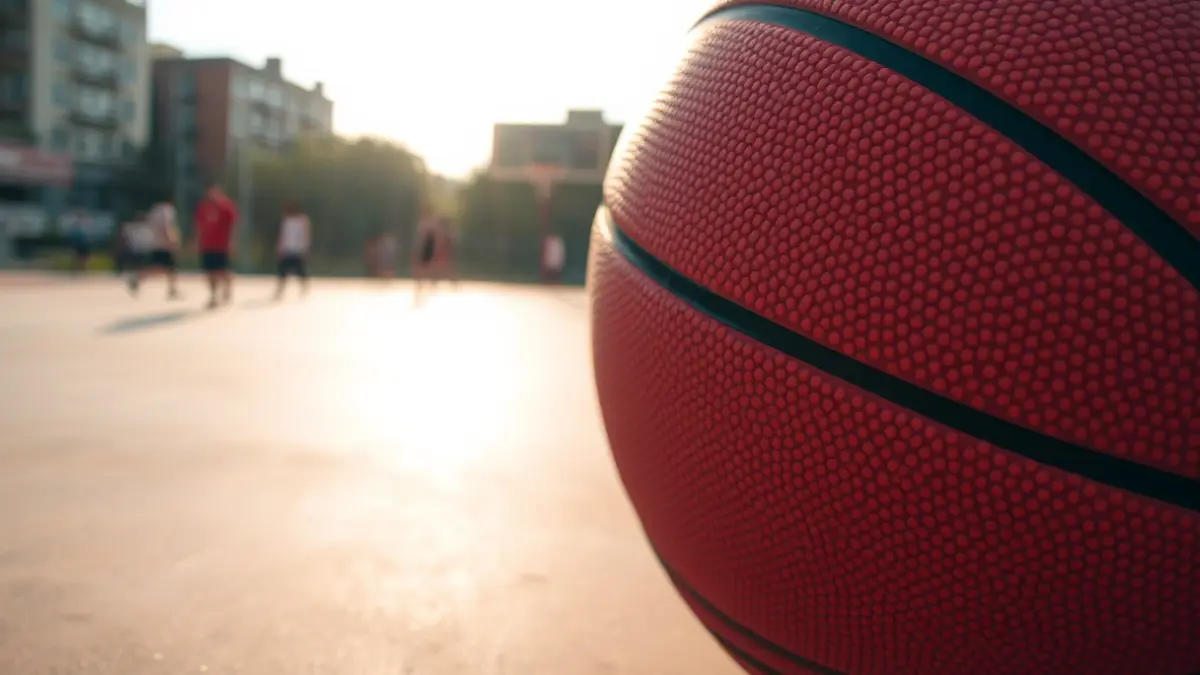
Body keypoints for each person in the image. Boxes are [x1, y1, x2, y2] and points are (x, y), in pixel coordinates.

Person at [194, 184, 238, 309]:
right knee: (209, 271)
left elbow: (233, 226)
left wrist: (232, 241)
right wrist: (198, 241)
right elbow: (198, 226)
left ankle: (228, 284)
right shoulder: (202, 207)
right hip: (207, 244)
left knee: (221, 270)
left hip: (221, 244)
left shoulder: (227, 206)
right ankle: (213, 296)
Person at [128, 199, 182, 299]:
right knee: (168, 268)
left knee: (165, 268)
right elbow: (167, 227)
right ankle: (172, 290)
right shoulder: (167, 210)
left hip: (156, 242)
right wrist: (172, 240)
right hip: (165, 245)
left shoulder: (154, 210)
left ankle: (140, 277)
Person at [274, 202, 311, 299]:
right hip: (287, 249)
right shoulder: (286, 221)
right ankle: (280, 290)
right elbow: (282, 235)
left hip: (298, 249)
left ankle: (304, 287)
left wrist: (305, 248)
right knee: (282, 270)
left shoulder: (302, 220)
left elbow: (306, 234)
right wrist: (280, 248)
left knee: (300, 270)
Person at [122, 213, 153, 295]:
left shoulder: (144, 228)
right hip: (137, 251)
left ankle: (135, 281)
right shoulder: (136, 228)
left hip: (140, 251)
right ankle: (135, 281)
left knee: (139, 269)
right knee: (138, 268)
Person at [65, 210, 91, 274]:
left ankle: (85, 270)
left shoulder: (85, 223)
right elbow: (73, 234)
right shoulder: (75, 223)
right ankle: (76, 270)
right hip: (78, 242)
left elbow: (87, 233)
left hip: (84, 242)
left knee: (85, 258)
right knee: (77, 257)